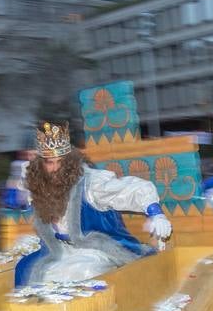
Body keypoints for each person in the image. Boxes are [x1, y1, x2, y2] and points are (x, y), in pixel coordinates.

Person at [9, 121, 170, 285]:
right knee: (24, 269)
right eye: (50, 162)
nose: (56, 168)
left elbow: (132, 189)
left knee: (80, 272)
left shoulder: (91, 183)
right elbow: (23, 182)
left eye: (61, 161)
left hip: (97, 249)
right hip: (59, 248)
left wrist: (156, 213)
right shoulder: (39, 183)